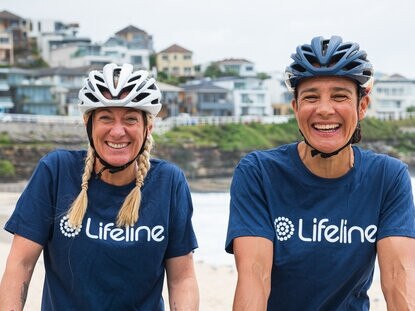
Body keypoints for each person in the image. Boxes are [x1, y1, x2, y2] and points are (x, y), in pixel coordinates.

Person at [225, 36, 415, 310]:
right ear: (296, 108)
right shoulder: (258, 173)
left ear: (362, 106)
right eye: (311, 97)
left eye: (340, 96)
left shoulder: (388, 177)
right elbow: (255, 276)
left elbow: (399, 280)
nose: (325, 109)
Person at [0, 63, 199, 310]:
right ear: (88, 123)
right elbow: (20, 264)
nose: (118, 131)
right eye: (106, 117)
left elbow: (182, 278)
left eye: (130, 119)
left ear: (148, 127)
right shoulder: (56, 171)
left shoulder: (169, 182)